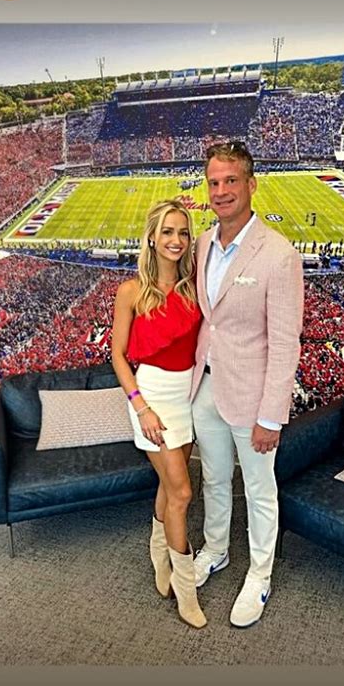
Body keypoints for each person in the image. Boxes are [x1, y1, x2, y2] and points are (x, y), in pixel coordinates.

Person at [191, 141, 304, 627]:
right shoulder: (201, 244)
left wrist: (270, 415)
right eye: (214, 182)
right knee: (213, 478)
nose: (221, 191)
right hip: (206, 386)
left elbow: (285, 343)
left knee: (258, 490)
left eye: (230, 181)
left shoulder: (278, 256)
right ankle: (217, 549)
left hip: (252, 397)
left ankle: (260, 574)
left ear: (251, 185)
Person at [111, 200, 206, 629]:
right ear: (152, 237)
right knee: (183, 493)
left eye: (183, 233)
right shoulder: (131, 291)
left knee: (171, 489)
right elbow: (117, 356)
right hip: (148, 397)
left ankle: (157, 551)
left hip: (185, 395)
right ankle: (187, 591)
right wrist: (141, 406)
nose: (176, 240)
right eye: (167, 231)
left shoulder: (194, 286)